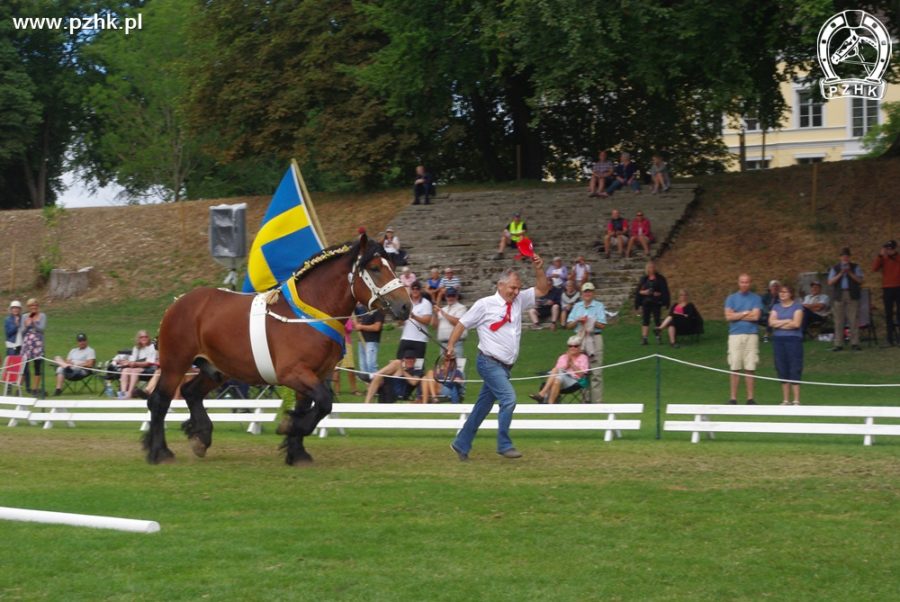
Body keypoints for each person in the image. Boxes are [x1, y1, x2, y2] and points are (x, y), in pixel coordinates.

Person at [447, 257, 550, 460]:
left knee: (482, 407)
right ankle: (504, 444)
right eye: (512, 287)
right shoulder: (484, 305)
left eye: (518, 288)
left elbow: (542, 289)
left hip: (505, 367)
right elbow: (462, 324)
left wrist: (539, 269)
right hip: (488, 362)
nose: (516, 292)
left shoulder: (519, 300)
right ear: (500, 285)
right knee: (508, 398)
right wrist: (450, 345)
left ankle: (461, 444)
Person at [724, 274, 763, 405]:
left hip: (751, 334)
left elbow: (756, 316)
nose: (744, 284)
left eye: (747, 282)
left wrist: (737, 315)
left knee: (750, 366)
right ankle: (733, 397)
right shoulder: (731, 298)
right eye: (742, 282)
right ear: (738, 283)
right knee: (735, 365)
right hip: (735, 335)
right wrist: (746, 313)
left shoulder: (756, 298)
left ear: (750, 283)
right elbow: (728, 317)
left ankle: (750, 398)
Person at [565, 282, 607, 401]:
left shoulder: (599, 306)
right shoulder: (577, 306)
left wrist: (591, 321)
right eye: (585, 291)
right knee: (581, 371)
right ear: (582, 294)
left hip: (595, 338)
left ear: (593, 293)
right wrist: (578, 320)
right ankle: (585, 400)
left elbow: (603, 325)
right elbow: (568, 325)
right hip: (579, 338)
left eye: (590, 291)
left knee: (596, 371)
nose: (587, 293)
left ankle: (597, 402)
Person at [769, 284, 804, 405]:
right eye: (780, 292)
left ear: (791, 294)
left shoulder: (797, 307)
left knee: (794, 367)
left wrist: (780, 323)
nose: (782, 294)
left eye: (785, 292)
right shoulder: (776, 307)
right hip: (778, 340)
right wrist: (786, 321)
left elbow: (796, 324)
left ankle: (796, 399)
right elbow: (771, 322)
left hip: (793, 340)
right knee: (781, 367)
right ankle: (785, 399)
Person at [530, 336, 589, 404]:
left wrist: (571, 363)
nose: (572, 348)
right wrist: (567, 362)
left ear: (580, 347)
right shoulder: (563, 357)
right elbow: (557, 371)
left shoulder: (583, 358)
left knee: (557, 372)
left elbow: (581, 375)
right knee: (557, 379)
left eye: (575, 346)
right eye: (570, 346)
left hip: (574, 382)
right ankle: (551, 403)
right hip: (560, 380)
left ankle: (542, 393)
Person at [827, 247, 864, 351]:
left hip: (852, 294)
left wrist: (850, 273)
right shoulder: (835, 268)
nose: (845, 258)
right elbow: (830, 282)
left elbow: (860, 280)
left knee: (853, 319)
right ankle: (838, 344)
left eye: (847, 256)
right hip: (839, 294)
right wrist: (840, 274)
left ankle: (855, 343)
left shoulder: (855, 267)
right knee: (838, 320)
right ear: (840, 257)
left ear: (849, 257)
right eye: (843, 256)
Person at [872, 240, 899, 347]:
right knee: (888, 314)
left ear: (894, 248)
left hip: (898, 287)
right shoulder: (883, 258)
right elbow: (874, 268)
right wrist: (880, 255)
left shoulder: (898, 257)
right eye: (887, 248)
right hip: (887, 288)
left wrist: (893, 255)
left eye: (890, 248)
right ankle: (890, 339)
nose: (888, 250)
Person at [635, 261, 670, 345]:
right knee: (645, 320)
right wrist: (645, 292)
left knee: (657, 319)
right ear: (647, 269)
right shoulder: (644, 279)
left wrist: (659, 295)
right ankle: (644, 338)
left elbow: (664, 291)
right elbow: (638, 291)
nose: (651, 269)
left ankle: (658, 337)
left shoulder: (660, 278)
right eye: (650, 267)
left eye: (653, 267)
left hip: (656, 301)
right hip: (646, 302)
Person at [396, 281, 432, 359]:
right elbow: (399, 323)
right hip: (405, 338)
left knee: (418, 366)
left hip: (420, 340)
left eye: (417, 288)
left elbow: (427, 321)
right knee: (399, 362)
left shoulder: (426, 303)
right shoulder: (406, 303)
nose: (415, 290)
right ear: (410, 290)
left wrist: (415, 317)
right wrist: (400, 319)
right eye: (413, 288)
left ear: (420, 290)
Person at [119, 330, 158, 399]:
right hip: (138, 368)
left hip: (150, 369)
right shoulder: (136, 348)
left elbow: (149, 363)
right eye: (142, 337)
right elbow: (132, 361)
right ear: (138, 338)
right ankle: (123, 393)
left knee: (134, 371)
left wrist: (134, 363)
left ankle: (130, 393)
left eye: (146, 337)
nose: (144, 338)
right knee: (125, 370)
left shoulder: (152, 347)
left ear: (149, 338)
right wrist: (127, 363)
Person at [432, 287, 467, 358]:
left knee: (457, 367)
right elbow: (434, 326)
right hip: (443, 344)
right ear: (445, 297)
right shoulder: (443, 309)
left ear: (457, 296)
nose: (450, 298)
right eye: (448, 296)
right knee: (443, 368)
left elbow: (458, 323)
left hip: (456, 344)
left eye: (452, 296)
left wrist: (443, 313)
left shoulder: (462, 308)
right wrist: (435, 314)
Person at [20, 298, 46, 394]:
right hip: (27, 343)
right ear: (28, 307)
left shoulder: (42, 316)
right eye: (31, 306)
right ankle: (18, 388)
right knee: (24, 366)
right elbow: (22, 332)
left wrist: (34, 323)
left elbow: (42, 329)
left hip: (38, 344)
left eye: (35, 305)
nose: (34, 307)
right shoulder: (24, 316)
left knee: (37, 366)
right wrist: (26, 326)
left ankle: (35, 389)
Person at [353, 303, 384, 377]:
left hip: (372, 342)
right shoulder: (364, 308)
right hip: (361, 341)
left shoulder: (379, 310)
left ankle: (377, 385)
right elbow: (353, 311)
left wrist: (361, 327)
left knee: (371, 366)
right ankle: (369, 387)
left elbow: (377, 327)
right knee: (363, 367)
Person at [331, 319, 360, 396]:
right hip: (336, 342)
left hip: (346, 342)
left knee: (350, 367)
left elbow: (349, 329)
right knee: (336, 367)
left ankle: (354, 389)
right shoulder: (334, 315)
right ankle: (336, 390)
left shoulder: (347, 317)